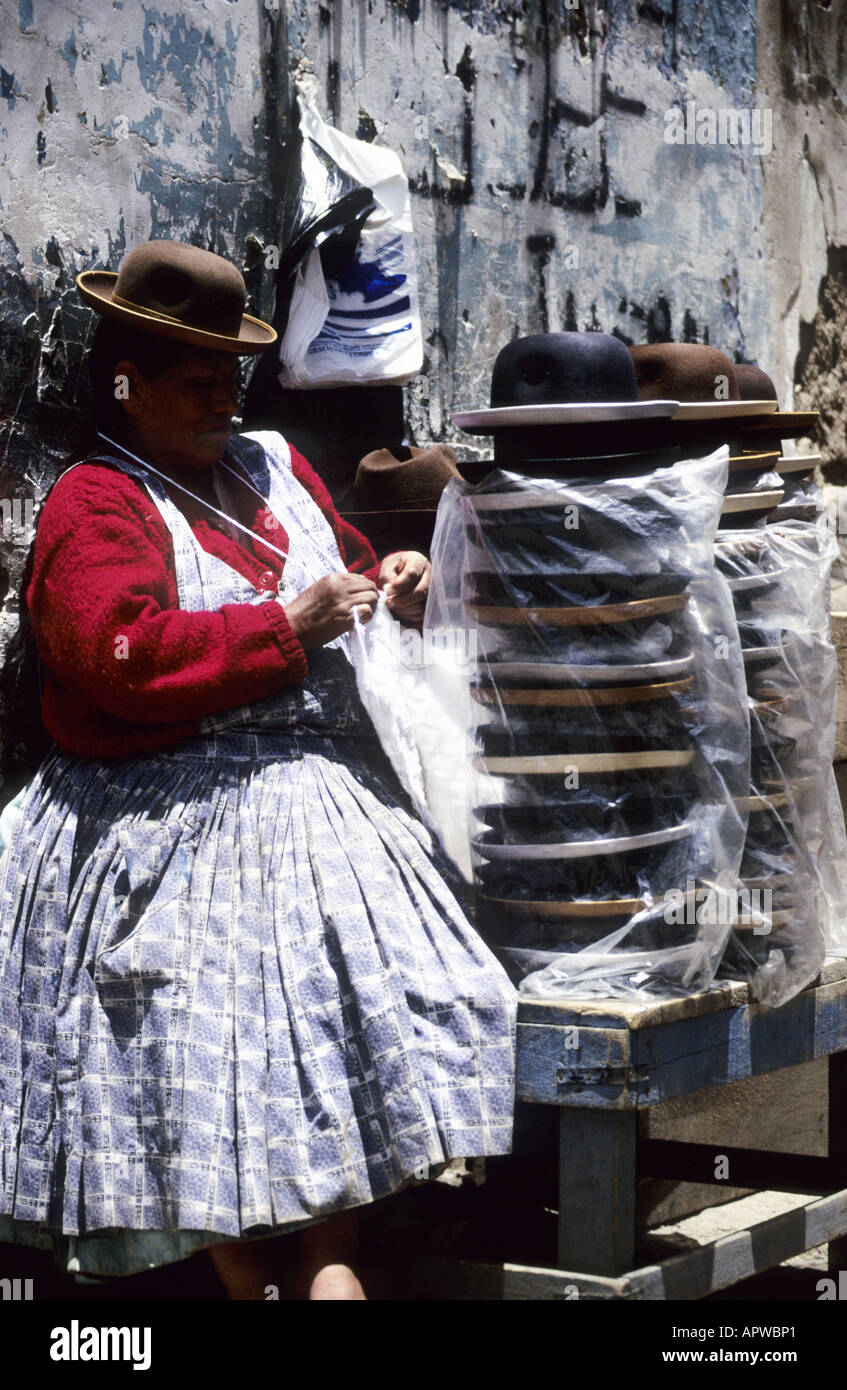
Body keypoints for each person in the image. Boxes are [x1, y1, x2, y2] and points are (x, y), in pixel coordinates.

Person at [0, 240, 516, 1300]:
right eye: (193, 379)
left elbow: (344, 569)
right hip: (155, 795)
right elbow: (115, 657)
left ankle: (330, 1260)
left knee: (353, 989)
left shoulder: (270, 467)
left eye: (227, 378)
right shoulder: (95, 505)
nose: (217, 399)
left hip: (303, 780)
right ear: (127, 382)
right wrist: (284, 624)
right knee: (190, 1007)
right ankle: (250, 1275)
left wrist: (394, 580)